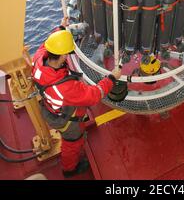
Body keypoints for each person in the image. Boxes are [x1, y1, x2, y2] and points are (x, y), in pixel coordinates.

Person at [32, 17, 121, 178]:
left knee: (73, 138)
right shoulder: (65, 87)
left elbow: (49, 44)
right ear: (63, 56)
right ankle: (69, 169)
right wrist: (112, 79)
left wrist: (61, 28)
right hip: (66, 119)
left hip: (50, 106)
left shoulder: (40, 58)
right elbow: (94, 95)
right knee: (73, 143)